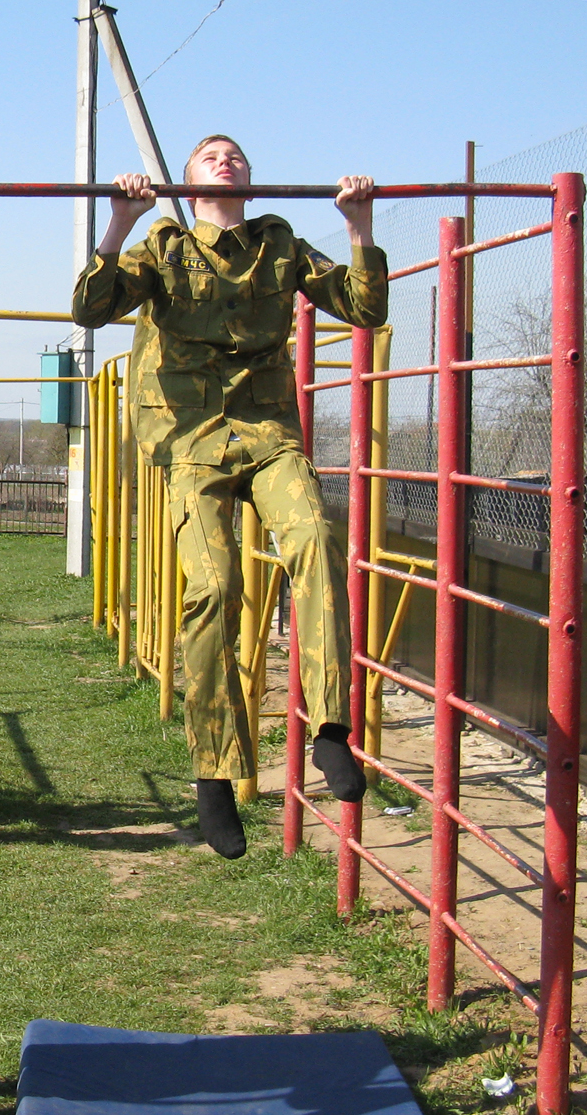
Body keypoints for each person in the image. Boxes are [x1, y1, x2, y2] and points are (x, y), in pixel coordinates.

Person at [71, 136, 385, 861]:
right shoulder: (165, 246)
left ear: (250, 177)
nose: (227, 158)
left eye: (236, 152)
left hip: (267, 430)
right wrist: (117, 221)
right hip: (188, 434)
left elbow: (363, 308)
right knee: (215, 585)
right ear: (188, 183)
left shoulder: (280, 245)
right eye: (212, 153)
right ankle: (214, 770)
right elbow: (89, 308)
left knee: (316, 539)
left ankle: (331, 727)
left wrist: (360, 227)